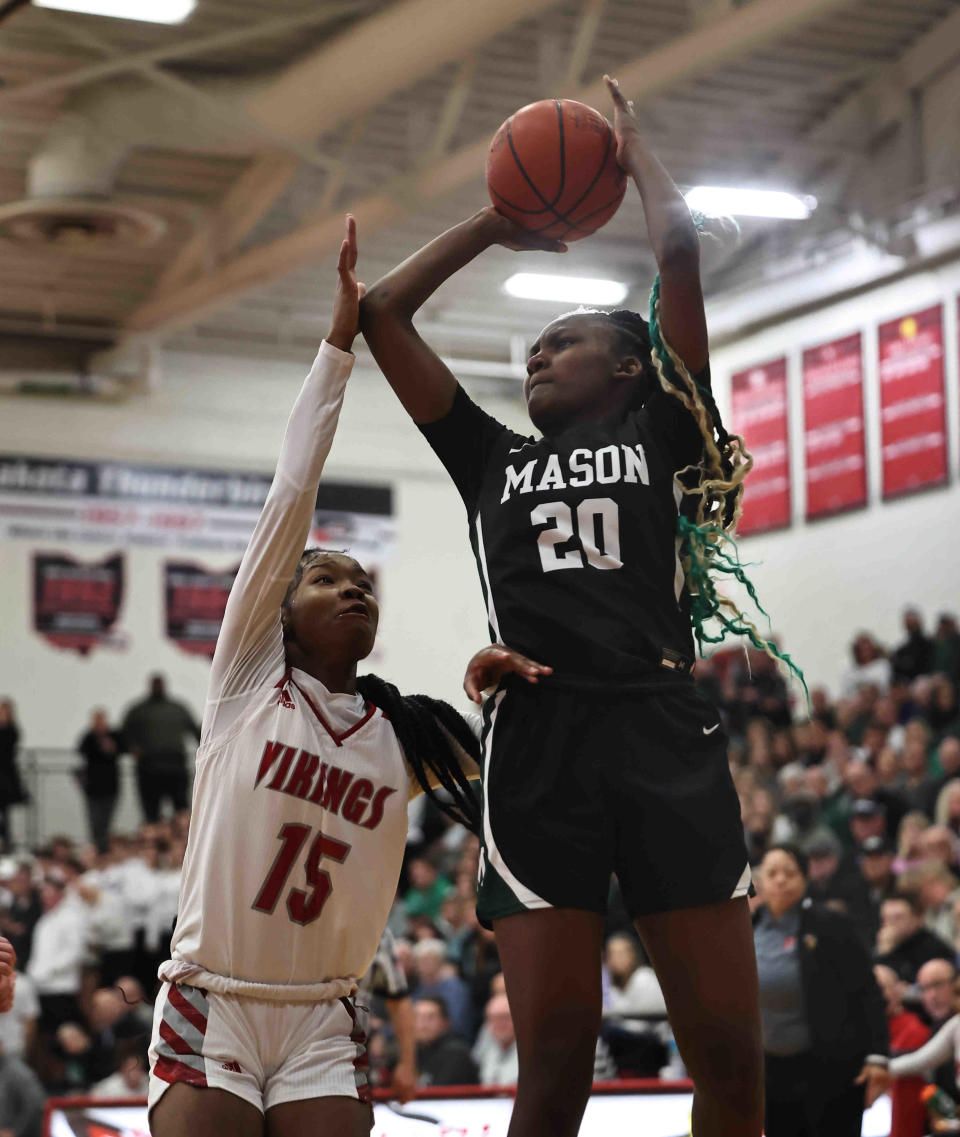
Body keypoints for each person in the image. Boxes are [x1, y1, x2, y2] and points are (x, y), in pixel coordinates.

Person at [361, 74, 764, 1137]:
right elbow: (379, 312)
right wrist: (498, 222)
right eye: (536, 348)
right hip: (539, 747)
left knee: (729, 1058)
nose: (538, 354)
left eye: (567, 342)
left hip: (662, 730)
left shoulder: (663, 433)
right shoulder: (488, 457)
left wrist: (633, 161)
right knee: (552, 1062)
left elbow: (677, 250)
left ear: (633, 368)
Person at [147, 216, 546, 1137]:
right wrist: (337, 347)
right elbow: (293, 494)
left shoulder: (399, 733)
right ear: (281, 608)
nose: (352, 590)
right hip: (217, 998)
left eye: (363, 583)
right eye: (327, 579)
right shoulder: (250, 681)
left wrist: (494, 696)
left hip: (328, 1011)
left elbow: (507, 790)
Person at [753, 846, 888, 1137]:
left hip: (833, 1067)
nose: (780, 880)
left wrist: (878, 1055)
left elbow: (867, 989)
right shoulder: (746, 929)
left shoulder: (830, 924)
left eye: (789, 873)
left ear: (804, 878)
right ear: (759, 880)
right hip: (772, 1073)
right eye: (772, 873)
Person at [121, 676, 200, 824]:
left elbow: (197, 734)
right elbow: (124, 736)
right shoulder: (138, 711)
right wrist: (132, 748)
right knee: (151, 814)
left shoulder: (178, 709)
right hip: (148, 768)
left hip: (176, 767)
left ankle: (181, 845)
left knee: (182, 812)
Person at [873, 964, 929, 1137]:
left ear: (897, 991)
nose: (877, 996)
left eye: (882, 988)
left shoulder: (914, 1031)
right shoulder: (864, 1032)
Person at [76, 708, 125, 854]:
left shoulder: (114, 735)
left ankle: (104, 848)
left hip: (110, 787)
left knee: (106, 821)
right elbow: (81, 750)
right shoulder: (88, 737)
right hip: (92, 788)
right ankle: (97, 849)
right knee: (94, 821)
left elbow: (123, 749)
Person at [876, 892, 954, 982]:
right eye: (885, 918)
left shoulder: (933, 948)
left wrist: (888, 954)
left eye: (898, 917)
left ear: (917, 917)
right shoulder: (886, 945)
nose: (890, 924)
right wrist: (884, 952)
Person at [413, 996, 478, 1087]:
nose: (423, 1024)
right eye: (418, 1017)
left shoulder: (457, 1055)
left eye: (430, 1017)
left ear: (445, 1022)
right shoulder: (409, 1054)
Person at [472, 993, 518, 1086]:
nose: (499, 1024)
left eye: (505, 1018)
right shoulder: (485, 1047)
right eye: (493, 1019)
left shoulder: (532, 1052)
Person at [0, 702, 26, 854]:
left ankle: (7, 842)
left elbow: (9, 747)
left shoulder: (12, 730)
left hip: (6, 777)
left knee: (5, 813)